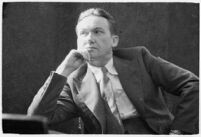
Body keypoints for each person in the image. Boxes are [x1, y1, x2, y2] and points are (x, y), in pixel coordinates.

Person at [27, 8, 199, 134]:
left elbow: (192, 84)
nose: (89, 39)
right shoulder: (73, 80)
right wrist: (62, 72)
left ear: (114, 40)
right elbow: (37, 118)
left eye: (97, 32)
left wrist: (180, 132)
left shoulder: (139, 58)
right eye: (83, 33)